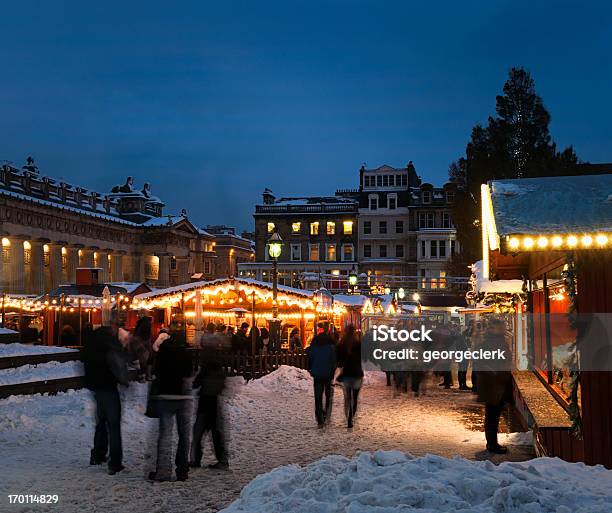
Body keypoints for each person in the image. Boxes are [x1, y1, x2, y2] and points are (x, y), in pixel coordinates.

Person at [82, 317, 130, 475]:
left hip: (96, 386)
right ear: (114, 327)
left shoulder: (92, 340)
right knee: (113, 425)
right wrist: (124, 380)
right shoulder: (111, 343)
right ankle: (115, 462)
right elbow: (118, 364)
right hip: (109, 386)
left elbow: (83, 360)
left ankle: (97, 454)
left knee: (101, 422)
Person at [148, 322, 194, 482]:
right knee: (184, 436)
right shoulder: (186, 353)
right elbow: (189, 374)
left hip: (166, 395)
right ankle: (182, 470)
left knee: (165, 436)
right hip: (183, 397)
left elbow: (156, 371)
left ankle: (163, 471)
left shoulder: (163, 351)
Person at [190, 323, 230, 470]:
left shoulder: (207, 355)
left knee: (199, 429)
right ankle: (222, 458)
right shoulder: (217, 356)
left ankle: (196, 458)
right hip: (213, 395)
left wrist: (196, 382)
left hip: (206, 396)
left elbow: (203, 373)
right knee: (215, 430)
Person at [476, 319, 512, 454]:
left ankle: (492, 442)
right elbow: (481, 363)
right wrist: (494, 372)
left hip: (496, 383)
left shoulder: (496, 341)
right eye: (501, 327)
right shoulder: (491, 343)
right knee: (492, 414)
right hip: (493, 384)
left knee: (493, 414)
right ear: (493, 329)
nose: (504, 328)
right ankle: (492, 444)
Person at [306, 322, 337, 427]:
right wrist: (333, 370)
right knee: (328, 395)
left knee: (318, 396)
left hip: (317, 373)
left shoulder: (314, 343)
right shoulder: (331, 344)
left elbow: (310, 357)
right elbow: (334, 359)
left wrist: (310, 368)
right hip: (328, 373)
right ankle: (326, 414)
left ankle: (319, 418)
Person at [336, 325, 363, 428]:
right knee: (355, 398)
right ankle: (351, 417)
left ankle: (348, 416)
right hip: (357, 373)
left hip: (346, 373)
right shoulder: (358, 344)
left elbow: (338, 358)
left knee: (348, 396)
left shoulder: (342, 344)